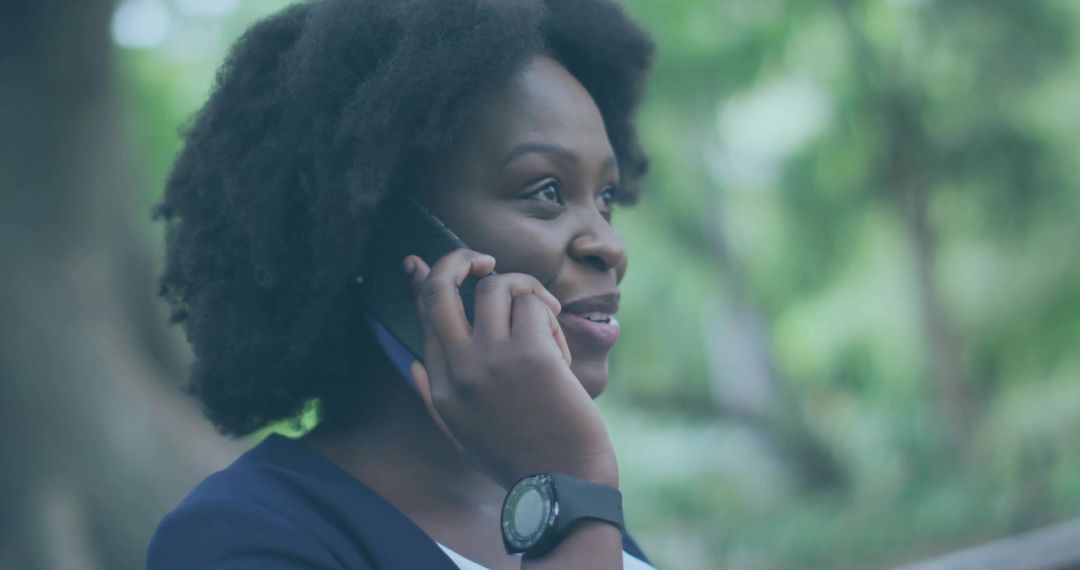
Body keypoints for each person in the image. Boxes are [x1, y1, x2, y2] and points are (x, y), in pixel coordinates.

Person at [147, 0, 655, 568]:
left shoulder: (565, 508)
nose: (610, 245)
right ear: (376, 234)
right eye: (546, 191)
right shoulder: (241, 536)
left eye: (606, 198)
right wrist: (570, 487)